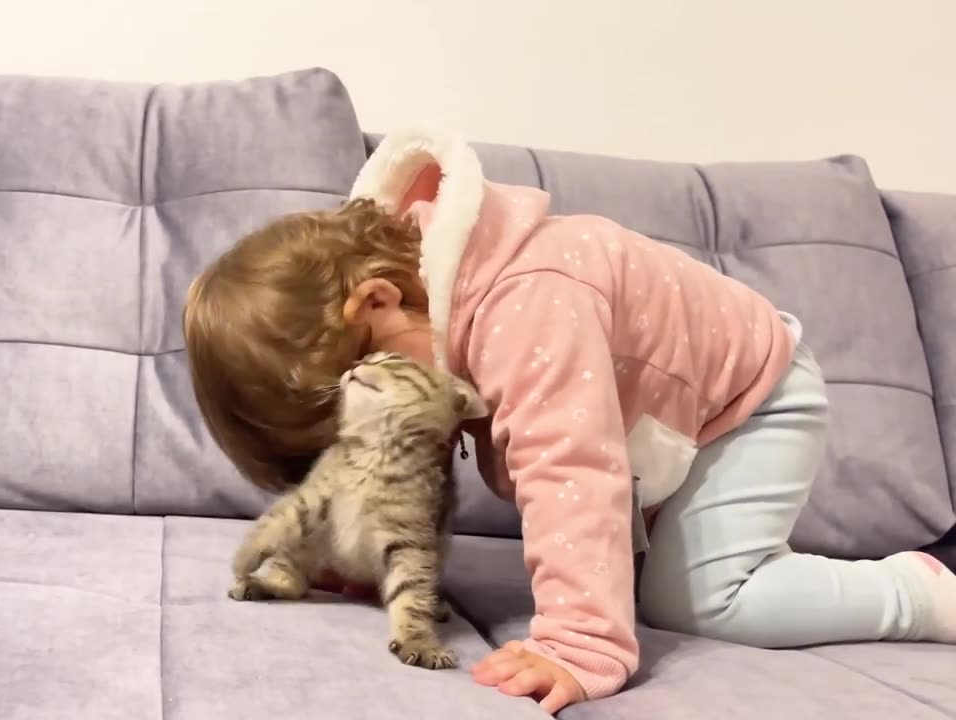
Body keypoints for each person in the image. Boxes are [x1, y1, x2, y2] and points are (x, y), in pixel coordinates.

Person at [183, 130, 956, 714]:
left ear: (378, 303)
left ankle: (920, 592)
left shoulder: (526, 301)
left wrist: (580, 642)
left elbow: (570, 470)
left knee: (704, 600)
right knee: (654, 575)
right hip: (658, 425)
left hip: (752, 397)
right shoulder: (433, 304)